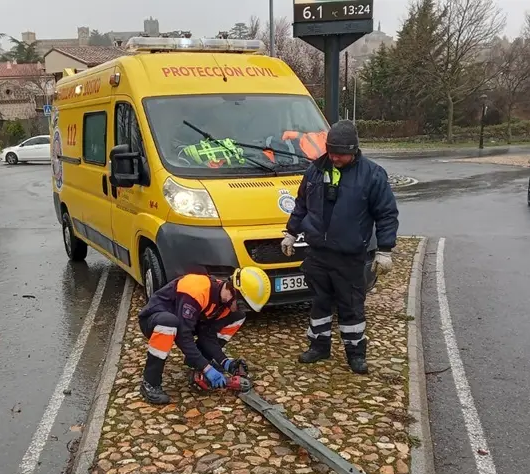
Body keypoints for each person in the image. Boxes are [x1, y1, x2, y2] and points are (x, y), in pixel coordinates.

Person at [281, 120, 399, 374]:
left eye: (341, 153)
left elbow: (386, 214)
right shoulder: (314, 171)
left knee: (351, 306)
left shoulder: (372, 175)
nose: (335, 157)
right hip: (318, 253)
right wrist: (290, 233)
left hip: (350, 255)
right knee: (320, 303)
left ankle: (356, 353)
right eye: (332, 151)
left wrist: (385, 249)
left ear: (354, 150)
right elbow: (301, 204)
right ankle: (319, 346)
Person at [138, 267, 271, 404]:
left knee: (238, 317)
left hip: (187, 322)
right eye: (243, 305)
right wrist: (206, 368)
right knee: (169, 323)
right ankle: (150, 383)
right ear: (233, 292)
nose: (242, 309)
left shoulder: (224, 302)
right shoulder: (196, 290)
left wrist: (224, 362)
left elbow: (207, 335)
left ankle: (197, 360)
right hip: (155, 320)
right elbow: (183, 336)